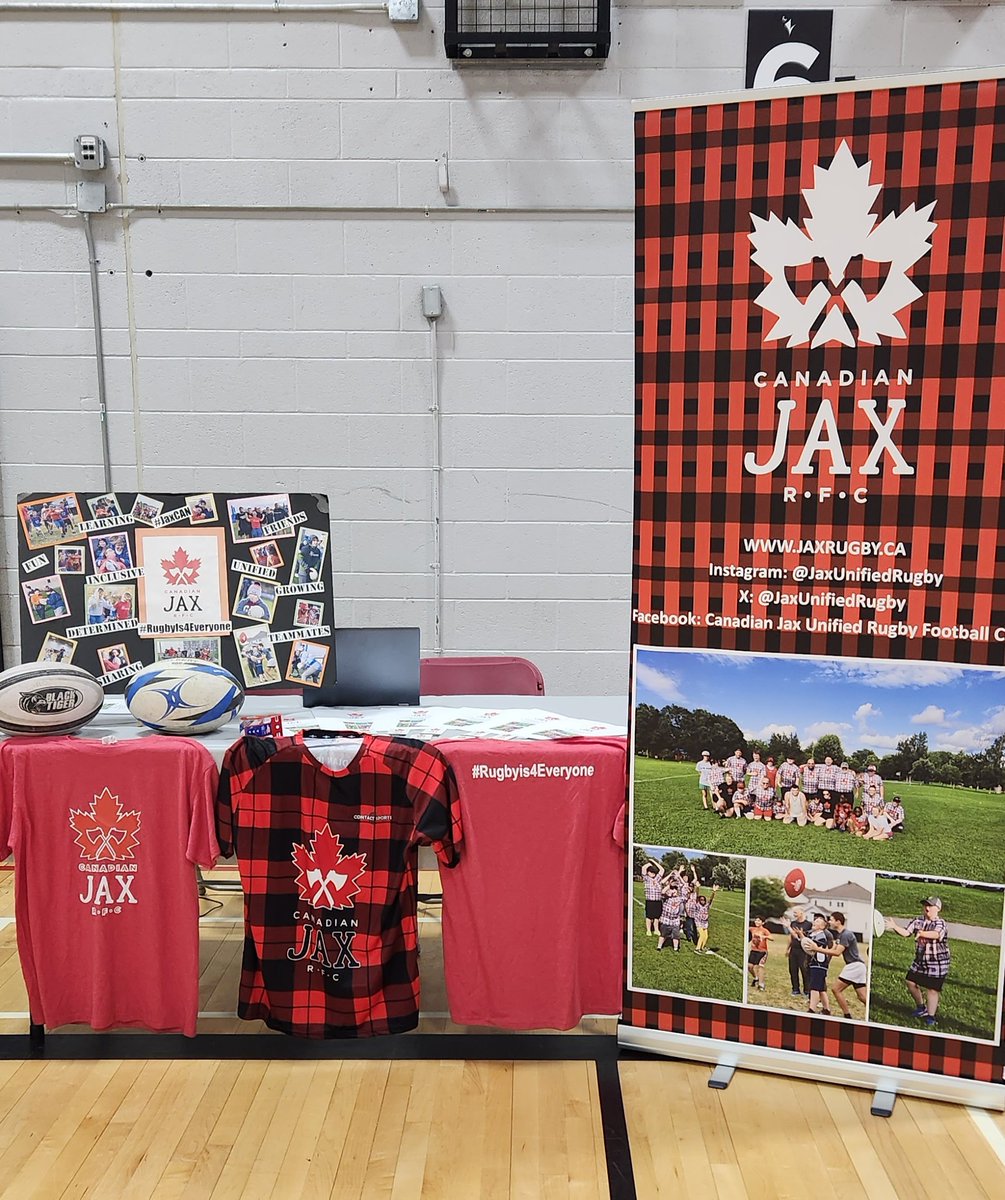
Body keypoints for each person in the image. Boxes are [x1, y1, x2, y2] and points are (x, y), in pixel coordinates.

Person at [887, 897, 950, 1028]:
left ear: (938, 909)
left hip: (937, 962)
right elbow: (906, 932)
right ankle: (921, 1007)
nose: (927, 908)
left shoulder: (940, 923)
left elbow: (936, 934)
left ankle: (931, 1017)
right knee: (910, 982)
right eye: (925, 905)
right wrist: (894, 927)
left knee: (932, 989)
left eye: (930, 906)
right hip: (920, 960)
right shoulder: (918, 921)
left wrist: (922, 933)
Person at [819, 912, 868, 1018]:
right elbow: (834, 949)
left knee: (836, 989)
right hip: (858, 966)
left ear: (838, 921)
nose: (829, 922)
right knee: (862, 996)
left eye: (831, 920)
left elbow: (837, 953)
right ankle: (870, 1011)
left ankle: (847, 1015)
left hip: (854, 966)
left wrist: (817, 949)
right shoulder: (840, 934)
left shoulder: (846, 934)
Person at [804, 914, 834, 1015]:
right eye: (815, 920)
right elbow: (804, 940)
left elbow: (811, 944)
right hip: (815, 964)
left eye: (817, 922)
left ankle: (812, 1009)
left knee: (814, 987)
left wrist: (803, 938)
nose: (814, 922)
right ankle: (827, 1009)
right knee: (821, 988)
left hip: (819, 964)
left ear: (822, 926)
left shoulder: (821, 936)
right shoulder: (813, 934)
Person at [785, 907, 812, 997]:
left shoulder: (808, 924)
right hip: (794, 949)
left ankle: (807, 990)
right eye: (794, 912)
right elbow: (791, 937)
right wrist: (788, 948)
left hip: (803, 950)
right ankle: (795, 989)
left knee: (804, 970)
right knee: (792, 970)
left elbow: (804, 937)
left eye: (796, 912)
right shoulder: (793, 923)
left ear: (802, 912)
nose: (794, 914)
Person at [688, 884, 719, 953]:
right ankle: (697, 948)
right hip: (698, 922)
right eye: (701, 900)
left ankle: (702, 947)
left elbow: (711, 900)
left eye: (704, 900)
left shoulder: (706, 906)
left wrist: (714, 892)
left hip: (705, 922)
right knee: (701, 935)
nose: (703, 901)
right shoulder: (697, 905)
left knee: (706, 936)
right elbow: (696, 897)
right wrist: (697, 888)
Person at [656, 884, 686, 953]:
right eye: (672, 889)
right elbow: (663, 892)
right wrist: (669, 886)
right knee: (663, 934)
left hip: (675, 920)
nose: (674, 891)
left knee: (676, 935)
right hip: (666, 920)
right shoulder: (666, 898)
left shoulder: (679, 898)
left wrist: (679, 880)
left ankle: (676, 948)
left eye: (675, 890)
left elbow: (685, 895)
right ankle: (659, 947)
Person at [747, 917, 774, 991]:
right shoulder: (752, 929)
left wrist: (765, 937)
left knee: (760, 967)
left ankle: (761, 984)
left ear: (763, 923)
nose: (757, 921)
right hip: (753, 950)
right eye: (756, 920)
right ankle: (756, 978)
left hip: (762, 952)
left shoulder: (764, 930)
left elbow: (772, 938)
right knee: (749, 966)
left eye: (759, 920)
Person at [640, 861, 665, 937]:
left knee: (657, 916)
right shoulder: (646, 878)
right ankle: (648, 930)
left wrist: (655, 862)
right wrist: (649, 864)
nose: (653, 874)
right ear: (648, 872)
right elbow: (643, 868)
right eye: (651, 872)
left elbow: (662, 870)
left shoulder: (657, 878)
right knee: (649, 916)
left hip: (658, 901)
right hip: (650, 901)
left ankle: (656, 929)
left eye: (654, 872)